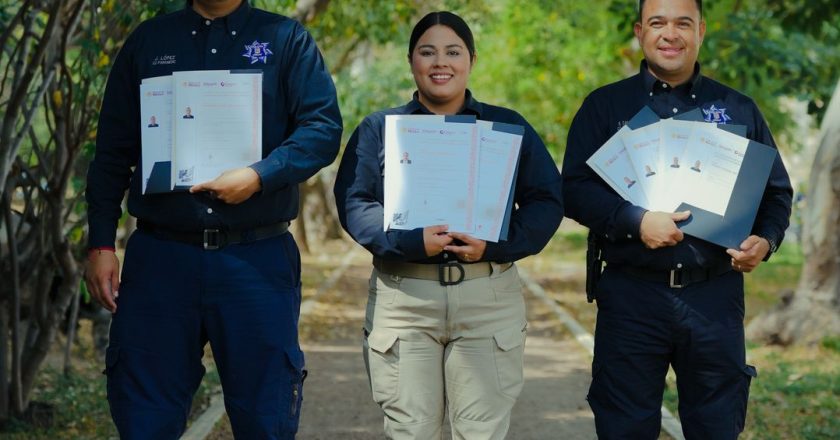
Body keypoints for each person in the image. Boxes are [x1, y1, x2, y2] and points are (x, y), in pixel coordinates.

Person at [84, 0, 342, 438]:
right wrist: (102, 243)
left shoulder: (285, 40)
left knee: (266, 417)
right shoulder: (149, 41)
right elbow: (111, 151)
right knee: (144, 416)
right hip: (161, 261)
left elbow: (322, 130)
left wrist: (259, 176)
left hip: (256, 261)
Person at [561, 0, 792, 439]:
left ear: (701, 30)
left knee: (717, 427)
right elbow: (572, 189)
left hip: (715, 298)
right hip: (631, 297)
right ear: (639, 30)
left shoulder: (737, 109)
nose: (671, 33)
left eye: (683, 23)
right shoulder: (604, 107)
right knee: (623, 426)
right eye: (658, 22)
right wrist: (635, 220)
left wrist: (766, 239)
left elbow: (776, 193)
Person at [334, 11, 563, 439]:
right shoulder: (380, 130)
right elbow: (354, 202)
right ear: (411, 61)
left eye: (453, 52)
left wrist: (495, 245)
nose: (441, 62)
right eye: (428, 52)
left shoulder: (506, 127)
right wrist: (408, 240)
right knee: (410, 432)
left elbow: (547, 200)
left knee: (481, 433)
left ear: (471, 60)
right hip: (404, 299)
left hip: (487, 299)